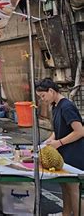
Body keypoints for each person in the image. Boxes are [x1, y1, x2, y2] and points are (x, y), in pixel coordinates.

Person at [36, 78, 84, 216]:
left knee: (73, 189)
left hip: (74, 154)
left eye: (43, 96)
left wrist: (59, 143)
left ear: (51, 91)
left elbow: (80, 131)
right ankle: (66, 213)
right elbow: (57, 131)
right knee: (65, 186)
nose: (42, 100)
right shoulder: (56, 106)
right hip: (63, 154)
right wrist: (45, 144)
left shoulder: (66, 106)